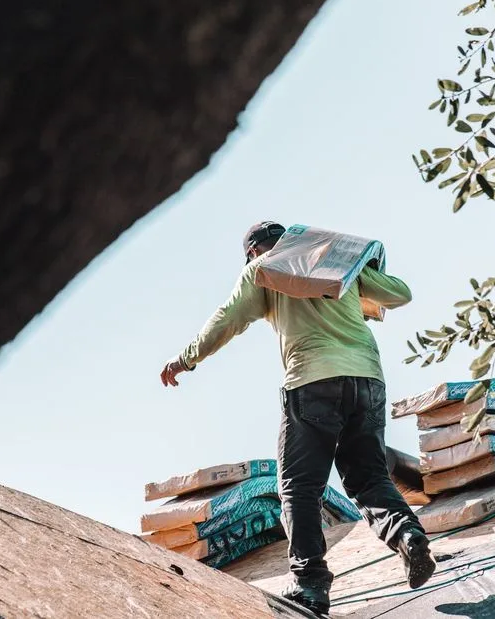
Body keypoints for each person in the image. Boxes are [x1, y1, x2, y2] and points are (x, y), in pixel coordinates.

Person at [161, 221, 436, 615]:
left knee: (298, 488)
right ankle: (408, 535)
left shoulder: (261, 271)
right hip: (367, 381)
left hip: (311, 382)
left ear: (254, 252)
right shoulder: (334, 263)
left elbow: (228, 319)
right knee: (369, 477)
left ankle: (310, 584)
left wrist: (185, 359)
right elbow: (400, 294)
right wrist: (362, 269)